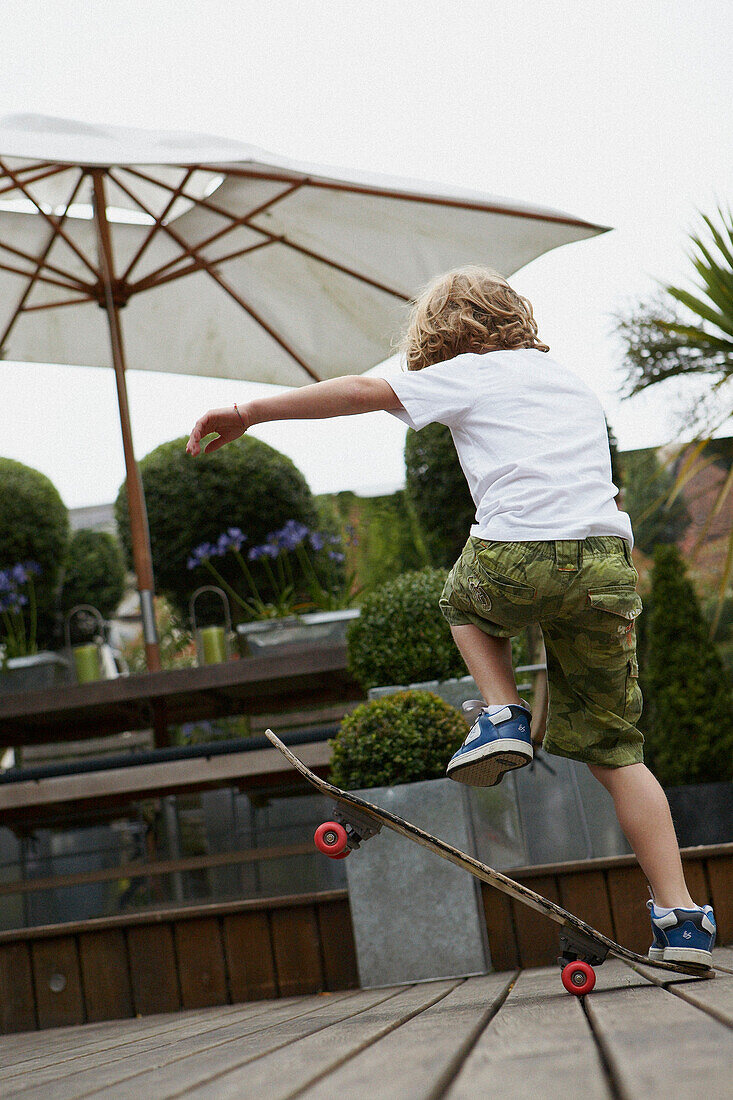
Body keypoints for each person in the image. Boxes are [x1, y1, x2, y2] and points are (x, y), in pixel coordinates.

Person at [186, 264, 716, 968]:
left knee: (461, 601)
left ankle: (501, 714)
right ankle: (681, 918)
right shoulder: (569, 383)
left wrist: (250, 413)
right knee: (618, 753)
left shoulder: (469, 371)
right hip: (605, 567)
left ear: (442, 333)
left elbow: (359, 391)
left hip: (518, 556)